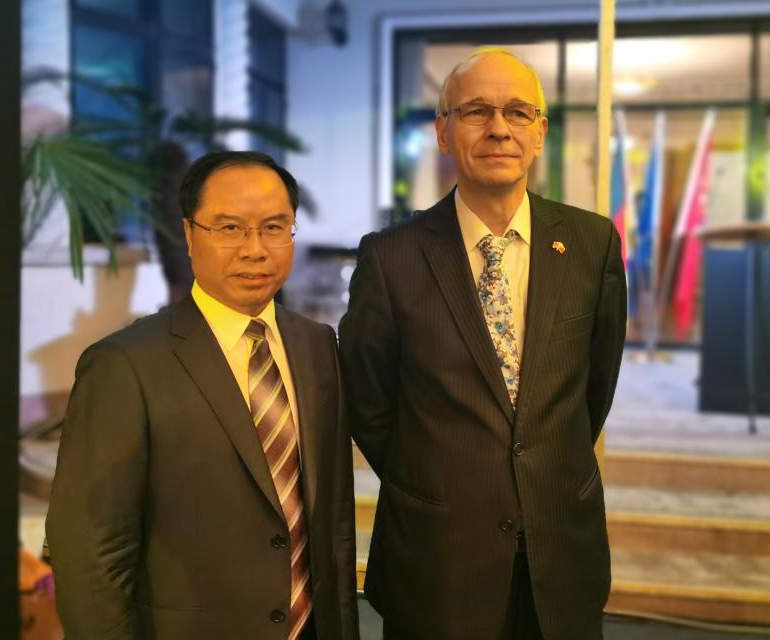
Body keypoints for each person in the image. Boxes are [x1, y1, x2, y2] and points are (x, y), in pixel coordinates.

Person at [339, 48, 628, 640]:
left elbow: (593, 390)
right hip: (439, 556)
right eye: (476, 111)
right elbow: (368, 403)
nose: (499, 128)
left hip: (560, 549)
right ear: (443, 132)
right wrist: (441, 477)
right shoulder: (390, 257)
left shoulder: (591, 243)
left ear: (540, 133)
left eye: (518, 112)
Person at [47, 151, 358, 640]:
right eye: (230, 228)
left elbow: (332, 522)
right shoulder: (125, 365)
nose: (255, 249)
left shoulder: (317, 345)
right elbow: (89, 554)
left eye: (274, 228)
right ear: (190, 234)